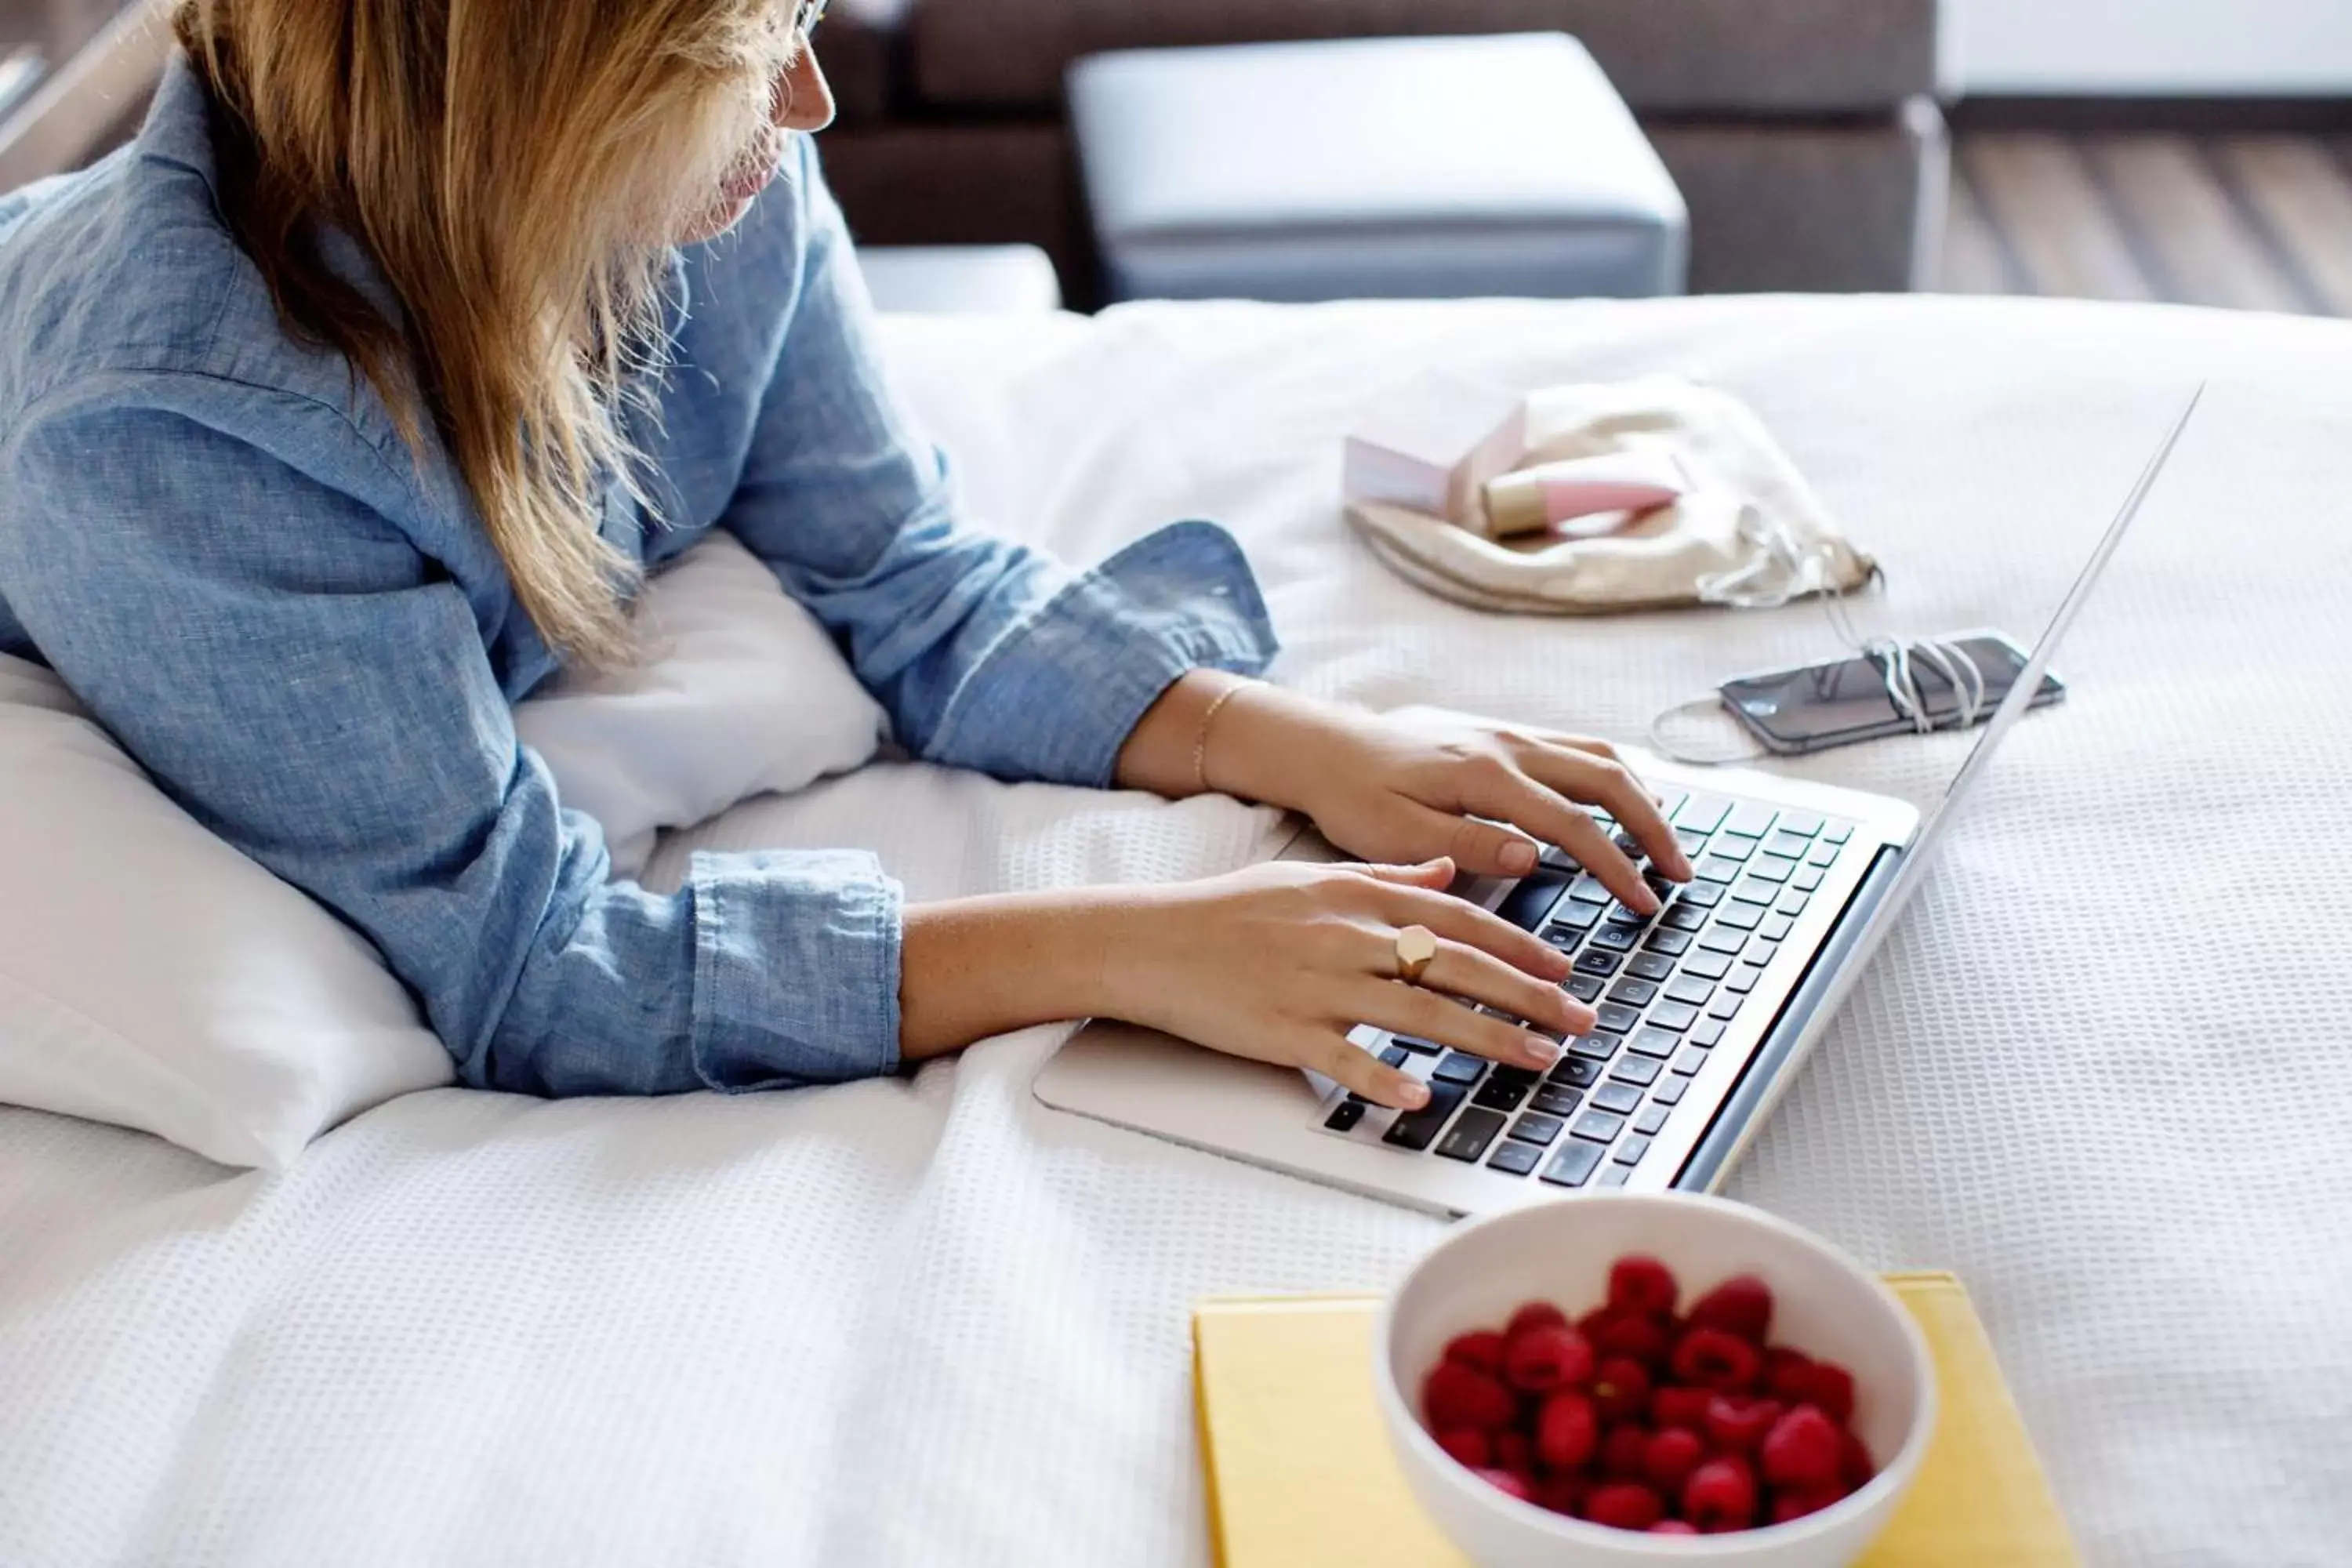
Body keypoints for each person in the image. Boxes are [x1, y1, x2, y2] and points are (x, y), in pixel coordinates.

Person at [0, 0, 1690, 1112]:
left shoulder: (704, 177)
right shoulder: (168, 443)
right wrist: (1140, 939)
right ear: (535, 104)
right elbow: (531, 968)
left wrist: (1323, 746)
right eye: (754, 50)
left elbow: (904, 572)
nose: (806, 103)